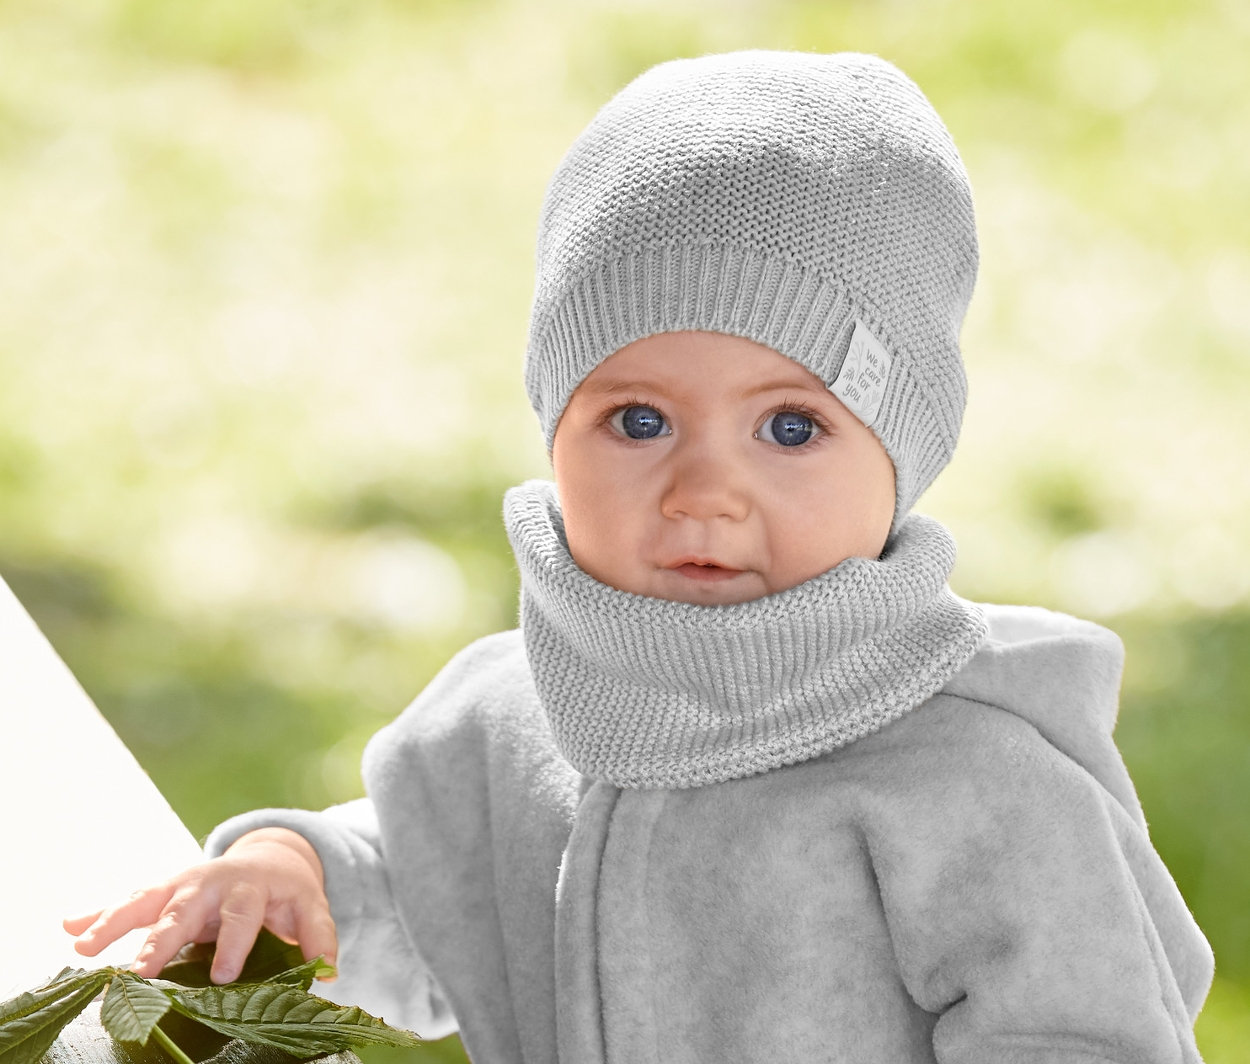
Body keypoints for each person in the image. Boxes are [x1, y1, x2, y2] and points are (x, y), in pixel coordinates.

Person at [66, 50, 1213, 1062]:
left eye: (790, 426)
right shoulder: (514, 716)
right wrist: (296, 871)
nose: (703, 491)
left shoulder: (981, 780)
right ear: (552, 431)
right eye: (638, 420)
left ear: (901, 453)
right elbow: (420, 885)